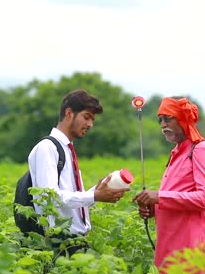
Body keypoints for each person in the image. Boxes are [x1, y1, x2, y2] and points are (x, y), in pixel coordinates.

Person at [133, 96, 205, 274]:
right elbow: (178, 197)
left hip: (193, 245)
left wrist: (159, 196)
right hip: (172, 244)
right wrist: (154, 208)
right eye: (160, 120)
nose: (163, 125)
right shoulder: (178, 152)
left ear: (183, 119)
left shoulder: (201, 150)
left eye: (168, 119)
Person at [28, 89, 129, 259]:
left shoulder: (67, 150)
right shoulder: (48, 148)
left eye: (92, 120)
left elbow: (69, 203)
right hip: (58, 244)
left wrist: (97, 192)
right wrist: (94, 196)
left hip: (75, 242)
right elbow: (50, 198)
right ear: (69, 114)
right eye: (87, 117)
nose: (90, 124)